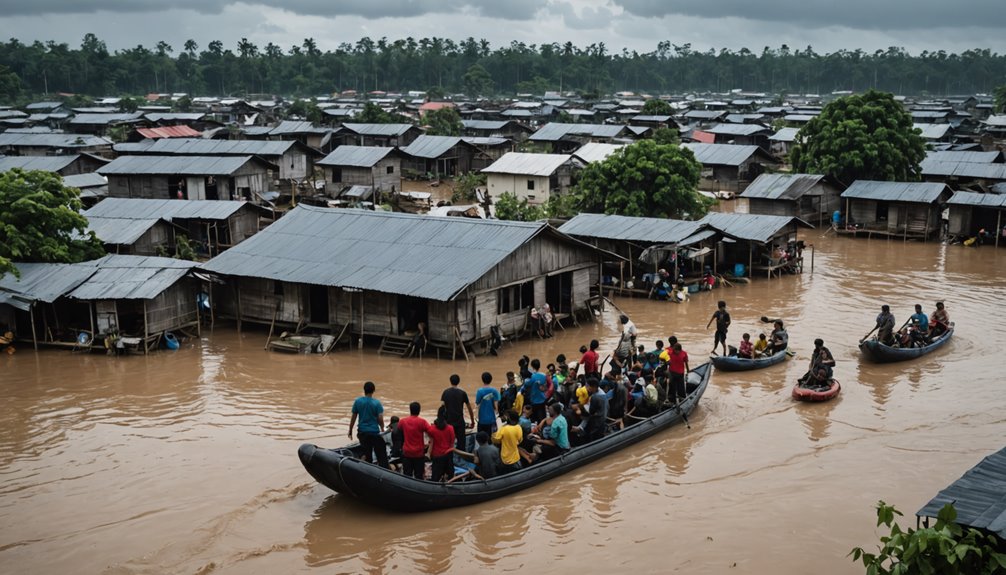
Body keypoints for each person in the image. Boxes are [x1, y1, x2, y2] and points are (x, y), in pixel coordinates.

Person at [348, 381, 388, 469]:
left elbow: (354, 417)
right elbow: (380, 418)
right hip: (374, 432)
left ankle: (366, 469)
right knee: (381, 454)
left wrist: (350, 430)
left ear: (364, 390)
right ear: (373, 390)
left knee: (367, 454)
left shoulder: (358, 401)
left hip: (362, 432)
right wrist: (382, 428)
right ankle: (384, 470)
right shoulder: (377, 403)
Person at [398, 402, 433, 479]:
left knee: (407, 475)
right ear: (419, 411)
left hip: (407, 452)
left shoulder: (403, 421)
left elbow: (398, 430)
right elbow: (431, 432)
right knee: (419, 475)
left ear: (410, 410)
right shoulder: (422, 422)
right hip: (418, 453)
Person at [441, 374, 475, 450]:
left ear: (450, 381)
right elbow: (469, 408)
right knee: (461, 444)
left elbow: (442, 408)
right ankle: (461, 458)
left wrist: (440, 422)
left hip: (448, 421)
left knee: (448, 443)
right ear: (458, 382)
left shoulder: (445, 392)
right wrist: (472, 421)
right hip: (459, 422)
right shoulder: (462, 393)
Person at [575, 378, 609, 443]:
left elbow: (591, 411)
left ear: (594, 387)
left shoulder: (595, 397)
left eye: (588, 386)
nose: (587, 388)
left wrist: (582, 407)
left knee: (594, 438)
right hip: (603, 417)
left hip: (597, 421)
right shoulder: (602, 393)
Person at [427, 410, 456, 482]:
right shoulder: (451, 428)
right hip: (448, 455)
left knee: (435, 478)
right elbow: (452, 443)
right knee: (450, 476)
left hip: (437, 456)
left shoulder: (432, 429)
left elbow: (430, 441)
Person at [492, 409, 524, 474]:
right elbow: (520, 440)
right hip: (516, 458)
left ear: (509, 418)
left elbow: (496, 440)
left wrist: (496, 431)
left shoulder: (504, 429)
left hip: (505, 458)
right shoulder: (519, 427)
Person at [475, 371, 500, 437]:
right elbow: (496, 406)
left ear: (482, 380)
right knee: (492, 438)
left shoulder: (480, 391)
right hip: (491, 419)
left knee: (481, 438)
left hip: (482, 420)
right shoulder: (494, 391)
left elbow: (477, 404)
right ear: (491, 380)